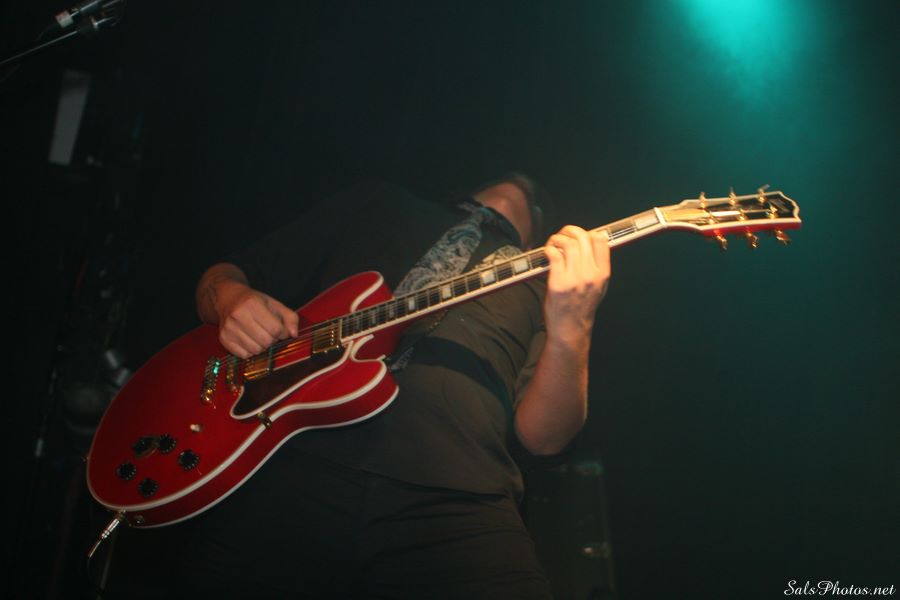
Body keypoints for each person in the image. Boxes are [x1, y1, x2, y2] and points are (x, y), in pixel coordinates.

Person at [178, 175, 610, 598]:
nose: (519, 188)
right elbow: (227, 274)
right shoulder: (379, 203)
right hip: (294, 459)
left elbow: (544, 440)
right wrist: (229, 298)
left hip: (460, 496)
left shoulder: (546, 282)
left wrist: (573, 325)